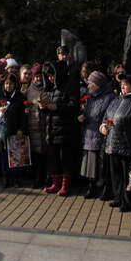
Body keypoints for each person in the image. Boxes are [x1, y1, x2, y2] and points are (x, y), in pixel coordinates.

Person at [100, 74, 131, 212]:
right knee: (115, 174)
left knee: (126, 175)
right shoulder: (117, 99)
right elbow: (106, 116)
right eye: (121, 84)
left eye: (126, 84)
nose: (122, 86)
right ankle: (118, 197)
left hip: (128, 144)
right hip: (112, 143)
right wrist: (103, 126)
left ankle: (128, 201)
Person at [42, 61, 79, 197]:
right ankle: (55, 183)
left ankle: (65, 185)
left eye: (52, 75)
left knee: (66, 159)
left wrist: (57, 107)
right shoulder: (50, 87)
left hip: (66, 129)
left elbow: (73, 106)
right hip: (51, 128)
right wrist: (44, 108)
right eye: (48, 76)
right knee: (53, 158)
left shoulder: (70, 85)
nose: (51, 78)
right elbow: (49, 107)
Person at [78, 71, 115, 199]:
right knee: (90, 165)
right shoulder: (90, 97)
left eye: (91, 83)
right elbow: (90, 113)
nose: (88, 86)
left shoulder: (109, 97)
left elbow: (109, 115)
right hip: (89, 133)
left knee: (101, 165)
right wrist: (83, 116)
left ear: (98, 84)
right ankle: (91, 187)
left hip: (101, 135)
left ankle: (104, 189)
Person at [0, 73, 27, 187]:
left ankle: (16, 178)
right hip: (2, 132)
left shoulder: (20, 97)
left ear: (15, 84)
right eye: (6, 83)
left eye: (11, 84)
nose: (8, 86)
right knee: (3, 156)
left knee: (16, 155)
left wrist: (21, 129)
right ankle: (5, 178)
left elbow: (23, 115)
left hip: (15, 130)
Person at [25, 63, 48, 188]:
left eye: (40, 76)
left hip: (45, 126)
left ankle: (45, 178)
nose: (38, 79)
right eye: (36, 76)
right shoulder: (28, 90)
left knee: (45, 155)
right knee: (35, 156)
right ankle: (36, 179)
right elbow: (25, 105)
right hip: (33, 126)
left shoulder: (47, 88)